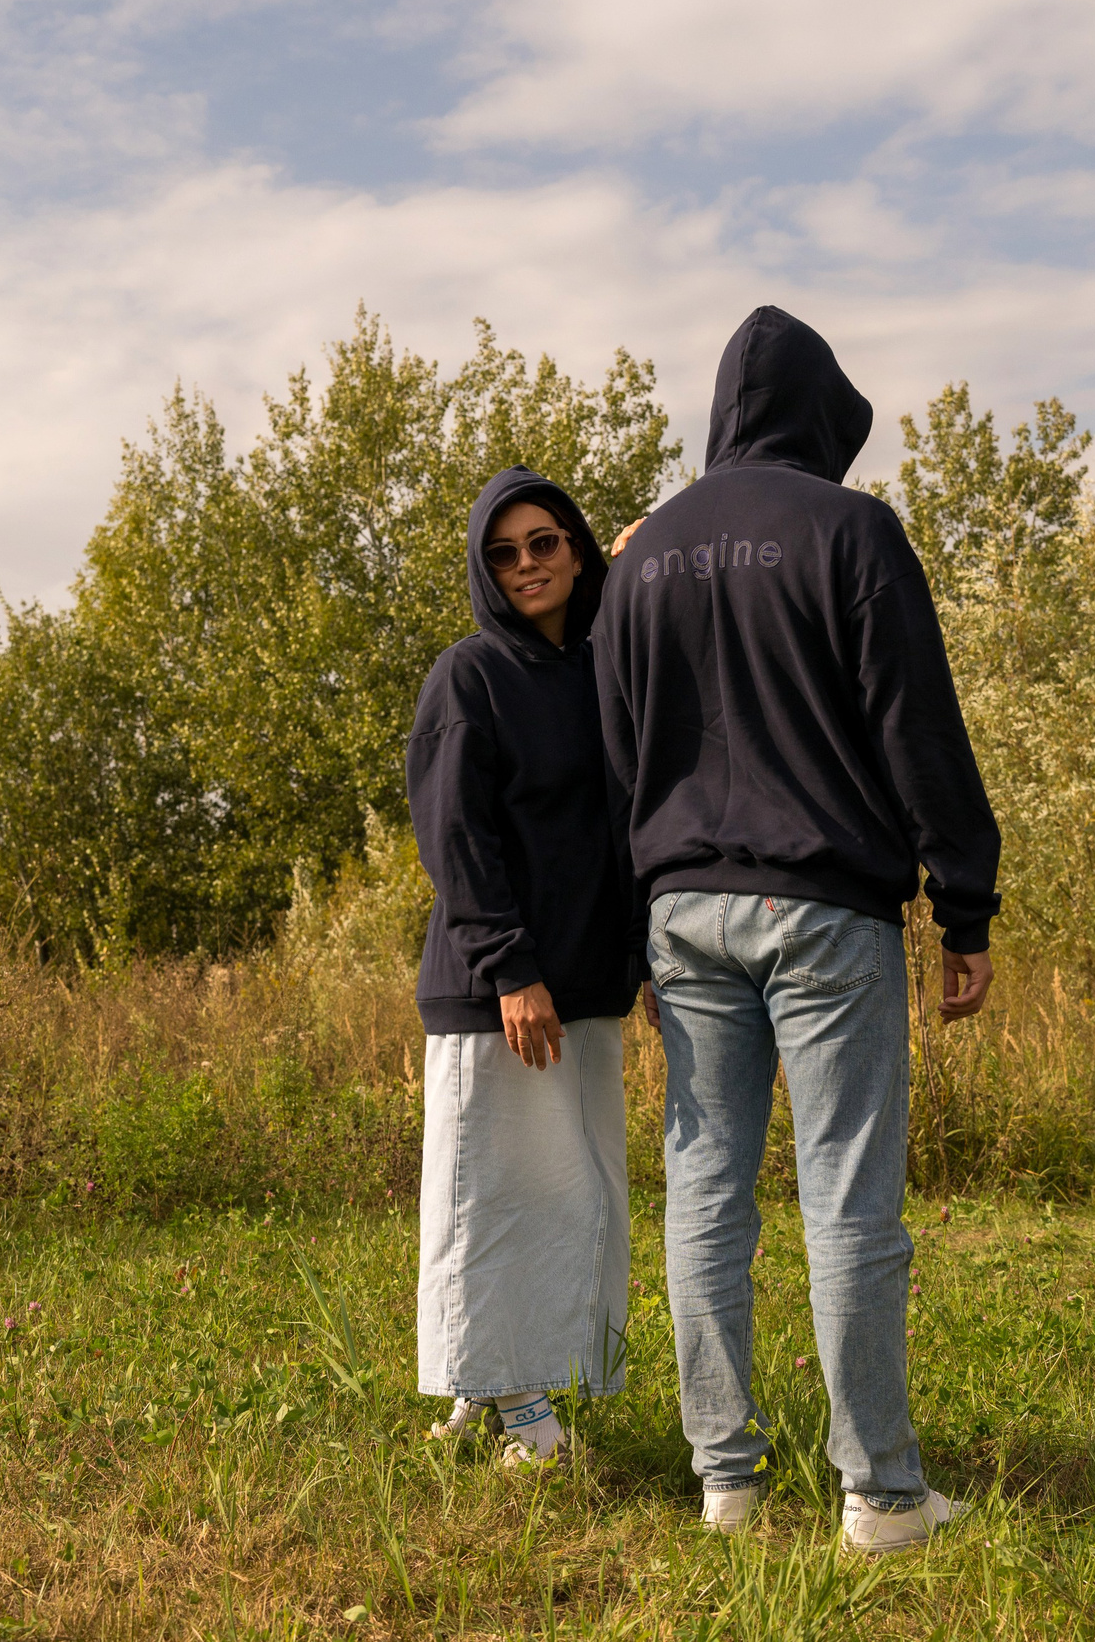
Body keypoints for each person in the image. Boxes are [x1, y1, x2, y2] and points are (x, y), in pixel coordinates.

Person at [593, 307, 1002, 1552]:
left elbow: (619, 761)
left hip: (679, 911)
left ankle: (726, 1480)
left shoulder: (643, 555)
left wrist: (639, 928)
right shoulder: (851, 530)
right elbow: (912, 722)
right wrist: (963, 899)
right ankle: (878, 1494)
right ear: (822, 416)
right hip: (824, 907)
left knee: (705, 1191)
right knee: (847, 1199)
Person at [407, 466, 641, 1467]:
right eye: (501, 553)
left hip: (582, 983)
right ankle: (517, 1411)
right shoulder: (470, 675)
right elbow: (455, 835)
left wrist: (640, 568)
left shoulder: (597, 671)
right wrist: (510, 969)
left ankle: (485, 1376)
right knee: (488, 1198)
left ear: (576, 550)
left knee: (564, 1197)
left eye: (544, 543)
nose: (525, 566)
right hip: (499, 990)